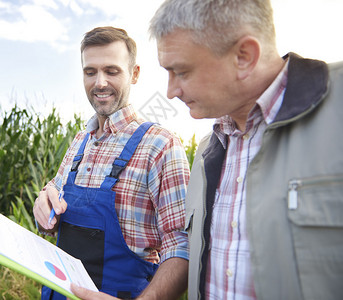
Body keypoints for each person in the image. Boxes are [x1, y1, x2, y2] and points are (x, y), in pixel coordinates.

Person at [72, 0, 343, 299]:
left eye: (182, 72)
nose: (171, 92)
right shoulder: (208, 153)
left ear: (244, 57)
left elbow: (176, 245)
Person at [33, 26, 190, 300]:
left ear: (135, 74)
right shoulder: (80, 142)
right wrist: (44, 210)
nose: (100, 82)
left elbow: (183, 247)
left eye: (112, 71)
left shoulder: (160, 145)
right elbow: (53, 209)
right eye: (90, 72)